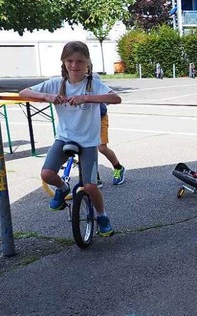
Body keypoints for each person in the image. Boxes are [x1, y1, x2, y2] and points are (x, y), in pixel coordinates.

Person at [19, 41, 122, 236]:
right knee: (47, 174)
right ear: (64, 62)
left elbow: (116, 98)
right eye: (70, 61)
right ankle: (63, 188)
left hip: (89, 142)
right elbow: (23, 93)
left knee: (90, 185)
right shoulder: (56, 83)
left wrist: (86, 98)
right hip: (64, 139)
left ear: (87, 63)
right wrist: (47, 97)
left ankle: (102, 215)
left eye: (80, 61)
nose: (74, 65)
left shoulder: (93, 84)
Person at [98, 103, 126, 185]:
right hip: (84, 122)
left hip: (100, 118)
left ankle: (118, 168)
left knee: (102, 148)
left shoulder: (96, 89)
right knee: (87, 149)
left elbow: (113, 97)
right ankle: (94, 175)